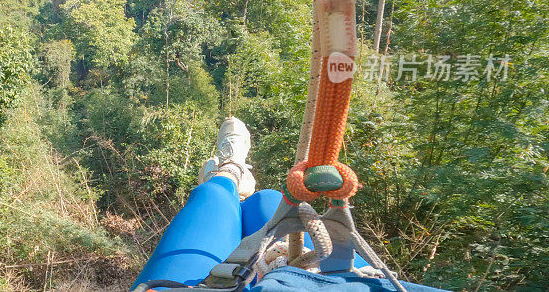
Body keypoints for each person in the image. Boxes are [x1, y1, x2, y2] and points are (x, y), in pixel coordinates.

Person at [132, 117, 445, 291]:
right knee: (268, 200)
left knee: (212, 195)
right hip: (341, 280)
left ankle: (228, 171)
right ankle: (234, 179)